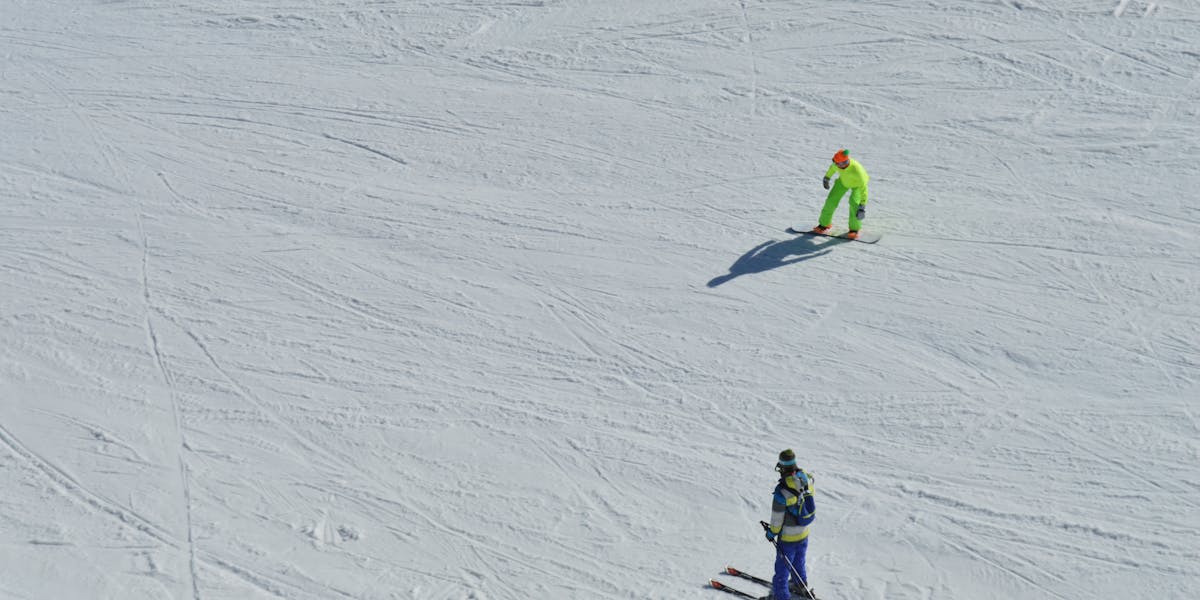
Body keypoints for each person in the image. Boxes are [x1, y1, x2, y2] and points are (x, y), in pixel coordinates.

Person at [765, 449, 816, 599]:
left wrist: (771, 533)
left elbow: (776, 520)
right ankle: (800, 585)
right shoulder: (806, 479)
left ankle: (781, 596)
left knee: (782, 570)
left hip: (788, 538)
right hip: (804, 533)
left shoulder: (782, 492)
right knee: (799, 562)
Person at [812, 149, 870, 240]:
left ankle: (854, 229)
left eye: (842, 163)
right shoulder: (837, 164)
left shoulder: (857, 171)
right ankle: (824, 224)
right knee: (831, 201)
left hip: (857, 186)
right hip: (843, 182)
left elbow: (864, 189)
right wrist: (827, 177)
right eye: (837, 163)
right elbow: (832, 168)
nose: (839, 165)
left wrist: (862, 205)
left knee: (854, 203)